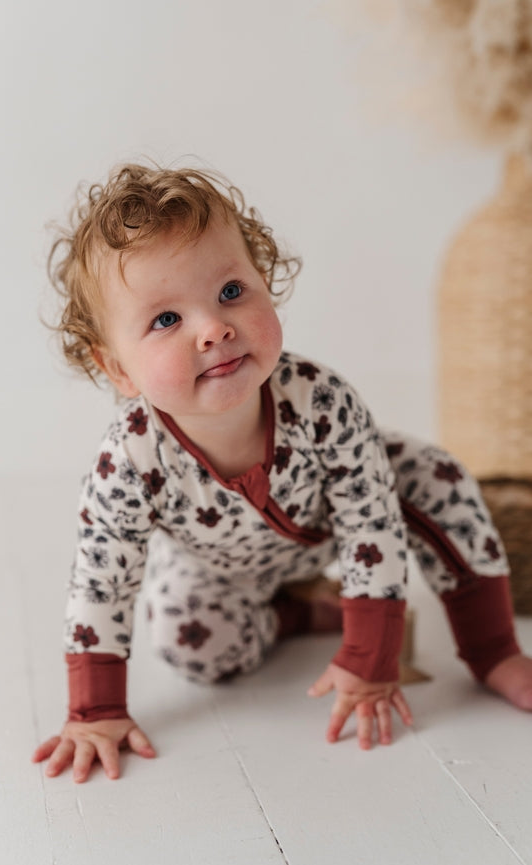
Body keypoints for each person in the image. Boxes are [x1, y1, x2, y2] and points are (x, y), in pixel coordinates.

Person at [32, 162, 532, 784]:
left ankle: (495, 650)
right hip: (220, 562)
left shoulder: (320, 400)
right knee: (192, 644)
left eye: (231, 292)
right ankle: (299, 615)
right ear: (120, 371)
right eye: (166, 320)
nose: (214, 327)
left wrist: (370, 653)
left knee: (438, 477)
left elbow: (369, 521)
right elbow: (100, 583)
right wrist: (95, 709)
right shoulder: (128, 462)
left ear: (264, 284)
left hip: (339, 524)